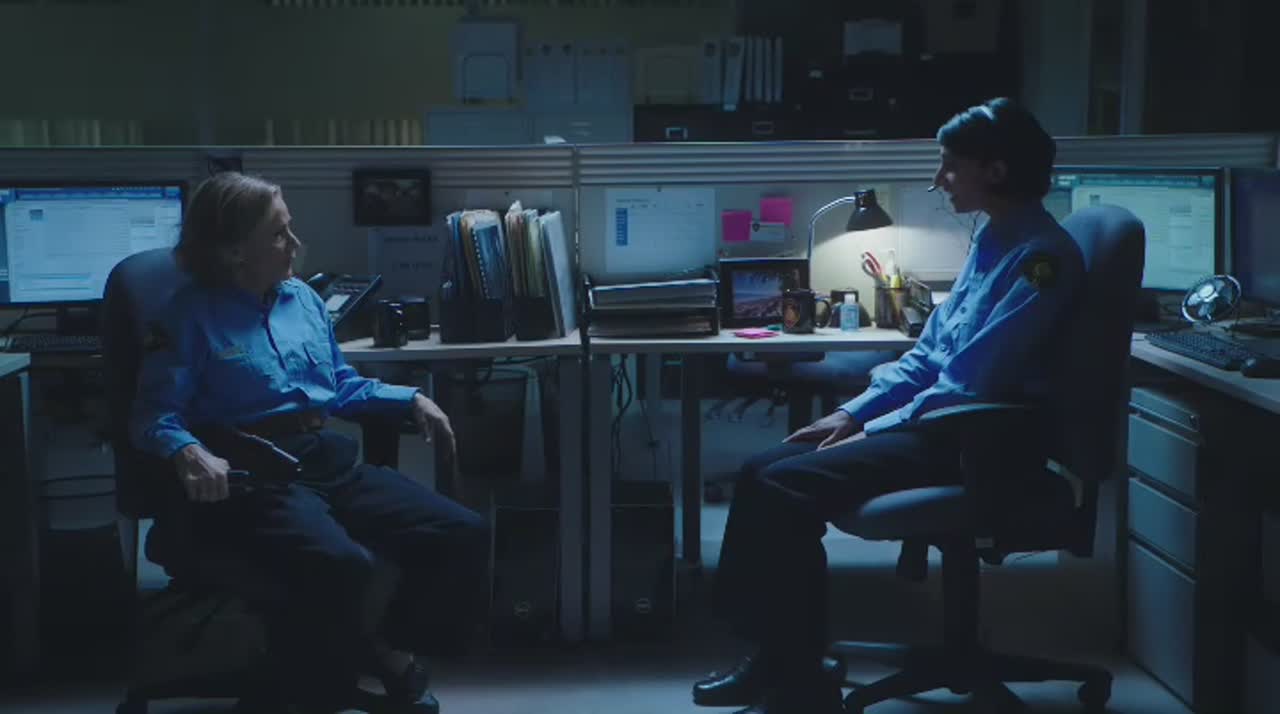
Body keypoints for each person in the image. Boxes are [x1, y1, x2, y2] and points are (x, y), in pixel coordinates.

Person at [692, 97, 1085, 714]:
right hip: (938, 423)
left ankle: (796, 678)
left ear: (996, 170)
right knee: (760, 468)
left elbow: (973, 382)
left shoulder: (1041, 260)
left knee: (785, 486)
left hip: (976, 440)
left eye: (950, 165)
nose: (938, 179)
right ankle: (776, 657)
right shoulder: (993, 238)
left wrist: (876, 427)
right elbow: (930, 355)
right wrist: (853, 413)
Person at [130, 171, 489, 712]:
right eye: (278, 234)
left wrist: (409, 399)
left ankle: (380, 646)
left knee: (461, 531)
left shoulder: (301, 300)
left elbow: (337, 385)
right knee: (340, 563)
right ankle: (317, 688)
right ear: (233, 251)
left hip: (324, 459)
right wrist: (188, 450)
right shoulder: (187, 318)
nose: (295, 244)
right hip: (254, 474)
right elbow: (153, 413)